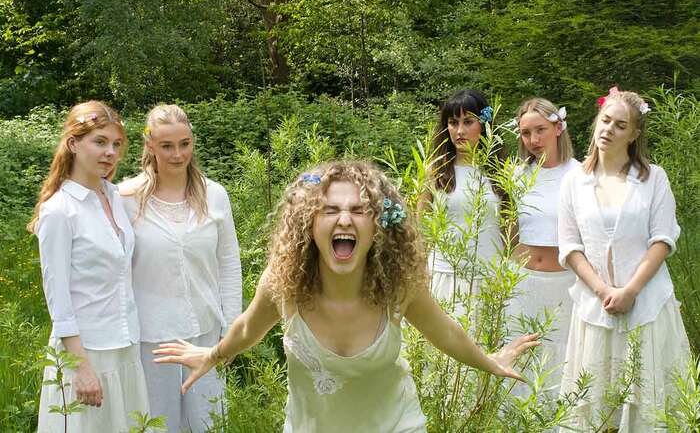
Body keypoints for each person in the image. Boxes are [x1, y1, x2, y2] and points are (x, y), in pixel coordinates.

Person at [152, 160, 539, 432]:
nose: (344, 219)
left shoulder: (398, 285)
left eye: (358, 210)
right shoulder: (284, 283)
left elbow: (446, 333)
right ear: (309, 223)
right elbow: (248, 328)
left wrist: (488, 361)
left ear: (378, 225)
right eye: (330, 210)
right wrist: (213, 354)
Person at [558, 88, 690, 431]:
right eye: (605, 121)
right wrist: (603, 290)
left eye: (620, 125)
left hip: (646, 305)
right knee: (597, 406)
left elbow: (663, 239)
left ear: (633, 134)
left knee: (648, 402)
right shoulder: (575, 181)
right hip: (594, 308)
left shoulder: (653, 179)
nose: (609, 130)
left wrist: (630, 290)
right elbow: (570, 245)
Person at [119, 104, 242, 433]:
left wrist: (230, 328)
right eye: (167, 146)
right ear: (150, 146)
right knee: (158, 425)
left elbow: (229, 263)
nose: (177, 154)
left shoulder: (214, 195)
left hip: (204, 332)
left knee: (210, 423)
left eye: (184, 144)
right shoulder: (125, 198)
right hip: (150, 338)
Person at [29, 101, 149, 432]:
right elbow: (58, 298)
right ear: (73, 143)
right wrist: (80, 368)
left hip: (125, 346)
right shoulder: (60, 211)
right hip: (87, 353)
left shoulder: (114, 197)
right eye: (99, 141)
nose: (110, 152)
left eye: (116, 144)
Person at [508, 97, 580, 393]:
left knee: (560, 357)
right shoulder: (517, 174)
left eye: (540, 130)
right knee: (522, 353)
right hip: (522, 283)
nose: (533, 140)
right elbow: (510, 228)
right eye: (526, 133)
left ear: (558, 128)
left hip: (564, 282)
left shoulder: (580, 174)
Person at [425, 89, 506, 317]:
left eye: (468, 122)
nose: (459, 131)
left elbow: (511, 231)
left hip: (490, 279)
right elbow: (420, 229)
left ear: (484, 125)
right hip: (443, 276)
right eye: (453, 122)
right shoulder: (435, 171)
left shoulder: (501, 173)